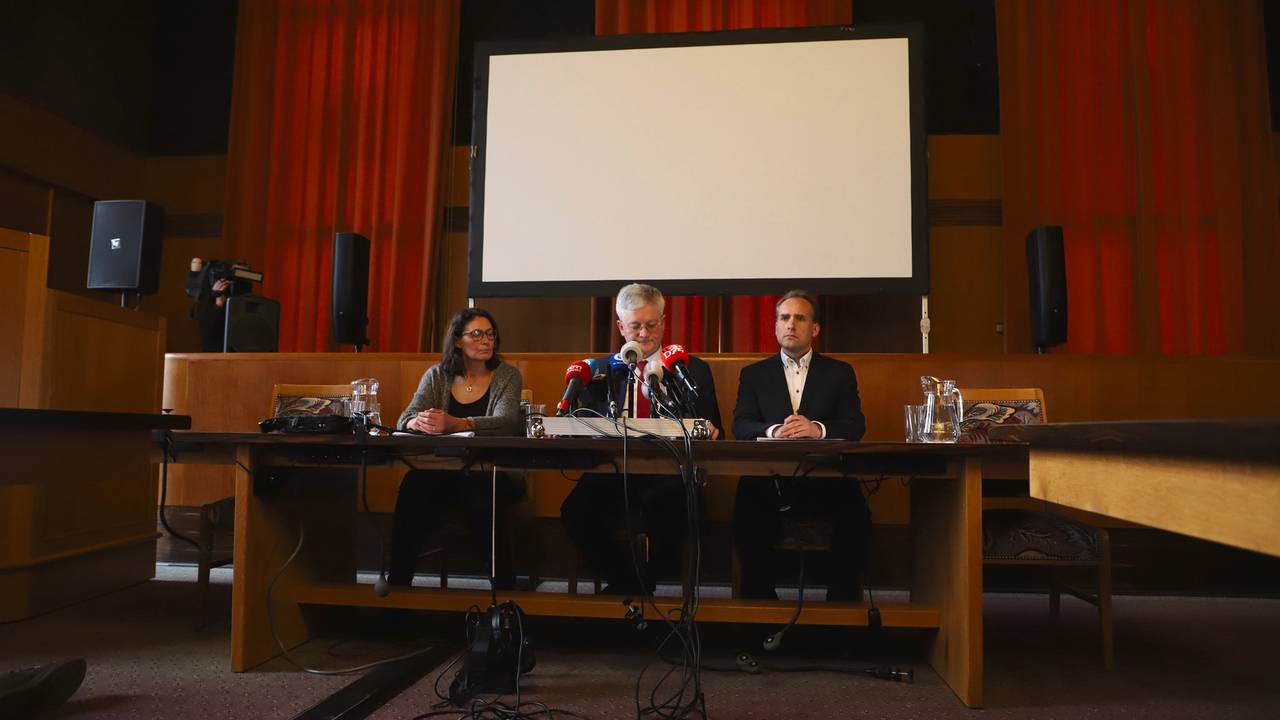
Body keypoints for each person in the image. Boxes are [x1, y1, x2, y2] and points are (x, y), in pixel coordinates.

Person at [559, 283, 722, 595]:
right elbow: (587, 425)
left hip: (670, 472)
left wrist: (708, 430)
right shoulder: (599, 371)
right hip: (612, 471)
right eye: (635, 326)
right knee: (575, 511)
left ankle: (640, 582)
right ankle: (630, 580)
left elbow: (715, 429)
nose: (645, 335)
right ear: (621, 327)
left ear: (663, 322)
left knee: (683, 507)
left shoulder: (690, 369)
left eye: (651, 325)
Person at [731, 290, 869, 601]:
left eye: (800, 318)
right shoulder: (753, 374)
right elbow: (741, 425)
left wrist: (817, 429)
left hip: (827, 479)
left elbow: (855, 426)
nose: (790, 324)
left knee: (856, 513)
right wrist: (775, 430)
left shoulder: (839, 372)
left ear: (815, 329)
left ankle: (841, 615)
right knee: (746, 507)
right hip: (770, 481)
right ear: (775, 326)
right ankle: (760, 610)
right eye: (784, 318)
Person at [388, 308, 525, 589]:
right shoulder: (437, 376)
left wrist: (456, 423)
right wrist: (419, 421)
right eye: (476, 334)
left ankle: (504, 591)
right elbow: (404, 420)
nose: (486, 340)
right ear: (458, 340)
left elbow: (508, 422)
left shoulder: (507, 375)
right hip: (441, 470)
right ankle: (398, 586)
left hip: (493, 471)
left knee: (481, 495)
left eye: (490, 334)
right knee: (413, 488)